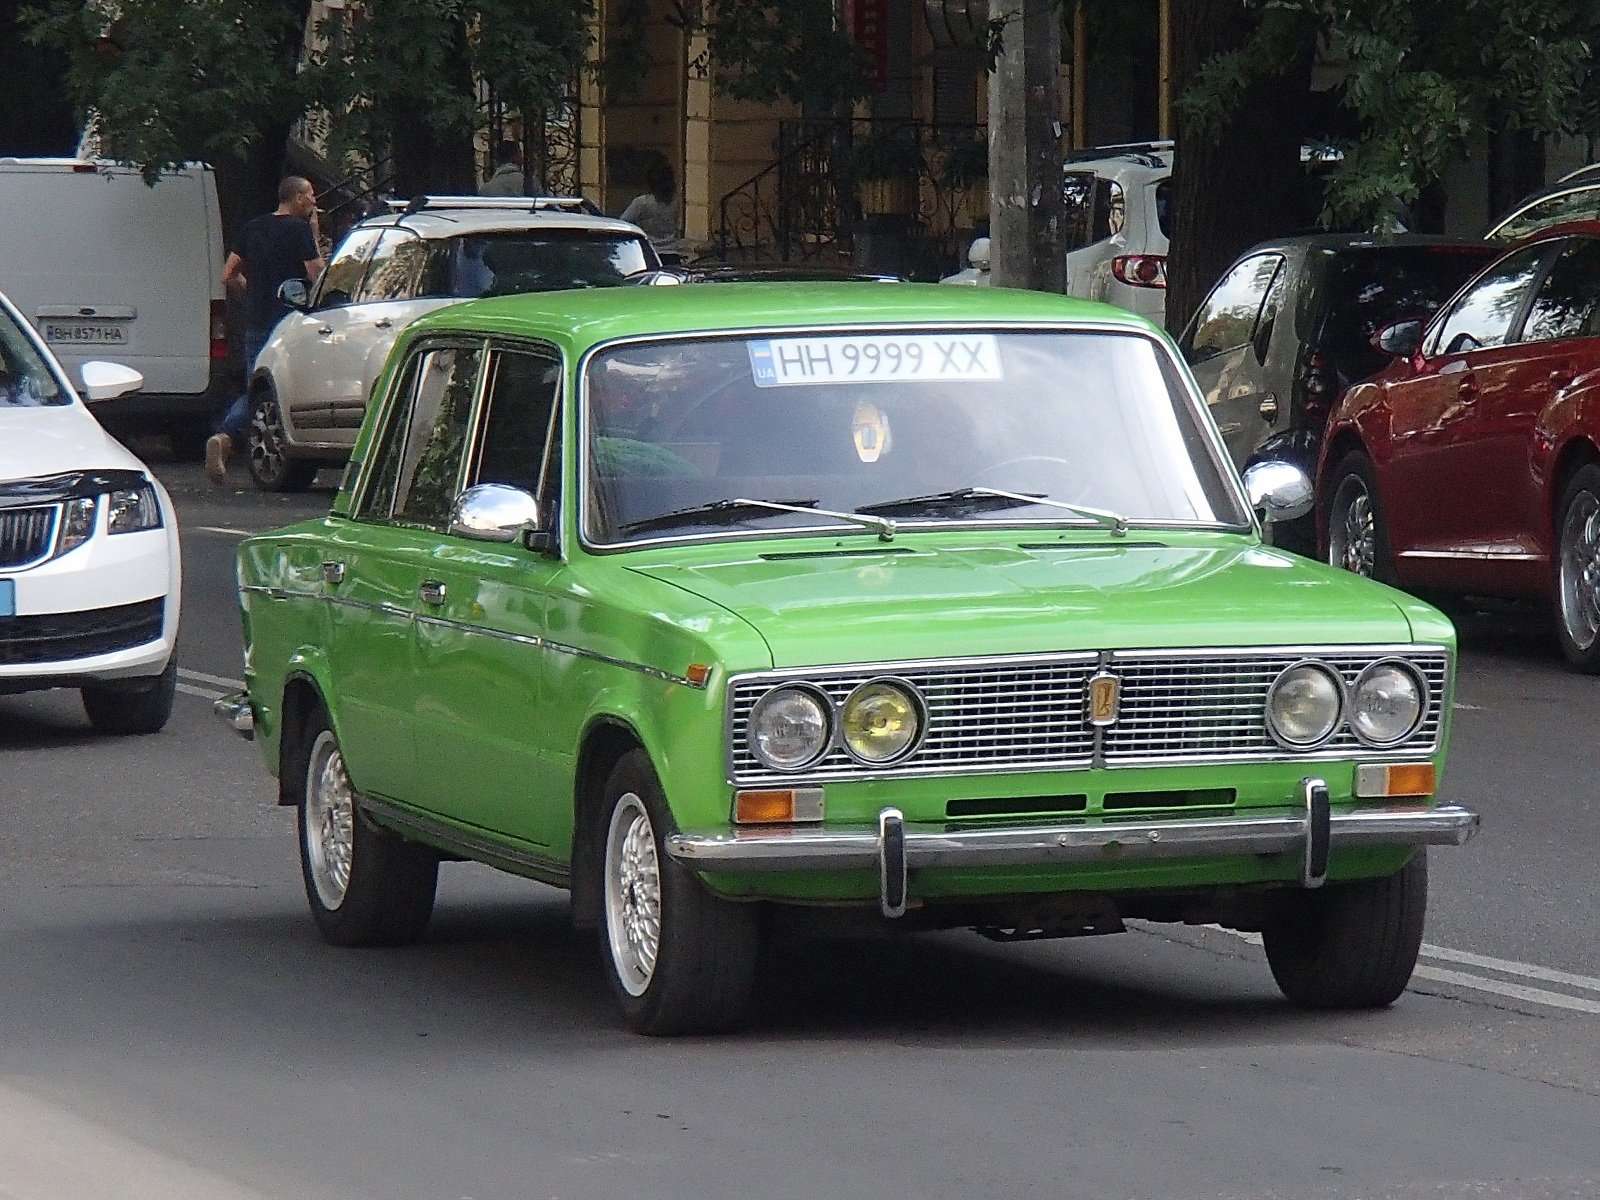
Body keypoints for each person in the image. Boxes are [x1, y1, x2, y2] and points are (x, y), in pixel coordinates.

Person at [206, 176, 324, 483]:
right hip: (290, 324)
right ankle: (231, 436)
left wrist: (252, 290)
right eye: (310, 195)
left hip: (256, 320)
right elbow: (316, 274)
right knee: (275, 391)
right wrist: (314, 232)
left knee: (254, 386)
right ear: (297, 198)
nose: (314, 200)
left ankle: (225, 438)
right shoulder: (298, 229)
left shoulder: (252, 228)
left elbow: (228, 274)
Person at [619, 161, 680, 250]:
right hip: (672, 249)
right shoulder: (676, 202)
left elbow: (623, 223)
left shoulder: (641, 202)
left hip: (650, 250)